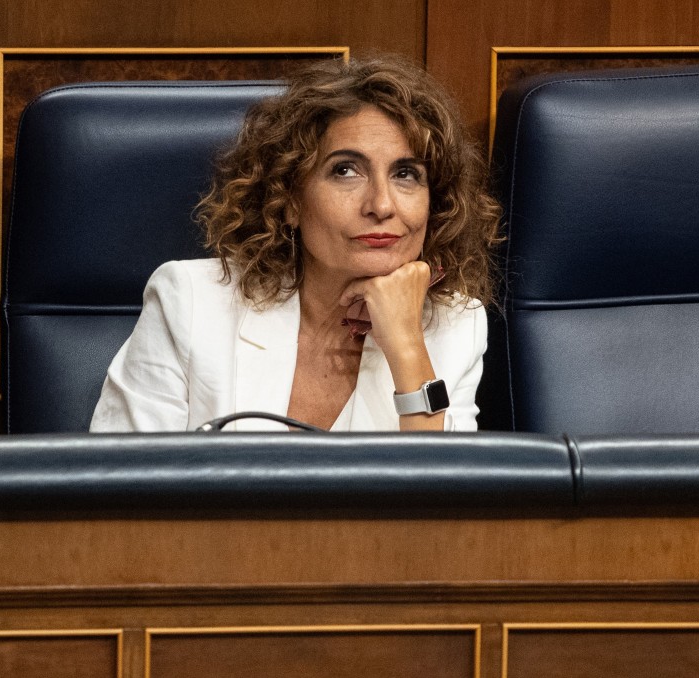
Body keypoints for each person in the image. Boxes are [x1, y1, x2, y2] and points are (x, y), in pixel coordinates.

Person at [90, 55, 501, 433]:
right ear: (288, 201)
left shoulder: (456, 328)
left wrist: (408, 348)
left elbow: (441, 504)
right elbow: (116, 492)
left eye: (407, 174)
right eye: (345, 171)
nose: (381, 204)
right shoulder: (190, 304)